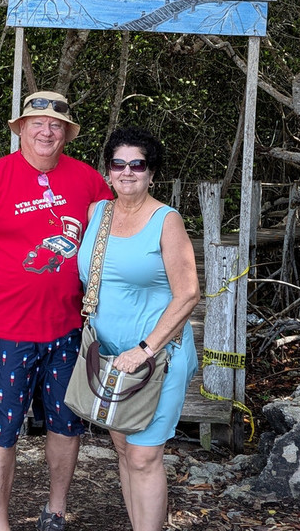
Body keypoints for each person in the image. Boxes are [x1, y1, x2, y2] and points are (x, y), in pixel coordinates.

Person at [0, 91, 112, 531]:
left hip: (70, 327)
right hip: (7, 331)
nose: (46, 131)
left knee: (66, 424)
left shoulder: (89, 181)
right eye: (37, 123)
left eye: (56, 125)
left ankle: (55, 511)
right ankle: (0, 524)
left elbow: (113, 240)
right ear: (20, 129)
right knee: (2, 430)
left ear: (66, 134)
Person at [76, 126, 200, 531]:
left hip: (156, 357)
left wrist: (145, 348)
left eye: (137, 164)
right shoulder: (97, 213)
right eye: (118, 164)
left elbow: (188, 295)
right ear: (108, 170)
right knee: (123, 449)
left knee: (145, 455)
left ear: (151, 173)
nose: (127, 172)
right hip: (110, 355)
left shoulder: (166, 221)